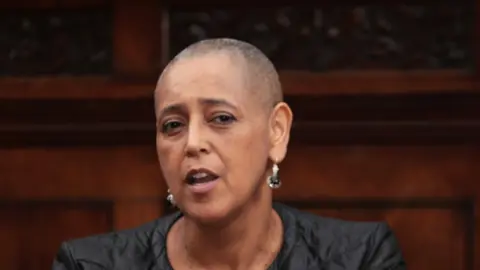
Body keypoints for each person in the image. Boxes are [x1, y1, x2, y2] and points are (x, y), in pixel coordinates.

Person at [52, 38, 406, 269]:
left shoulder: (361, 258)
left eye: (221, 118)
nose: (192, 144)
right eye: (172, 125)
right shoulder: (87, 265)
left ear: (276, 131)